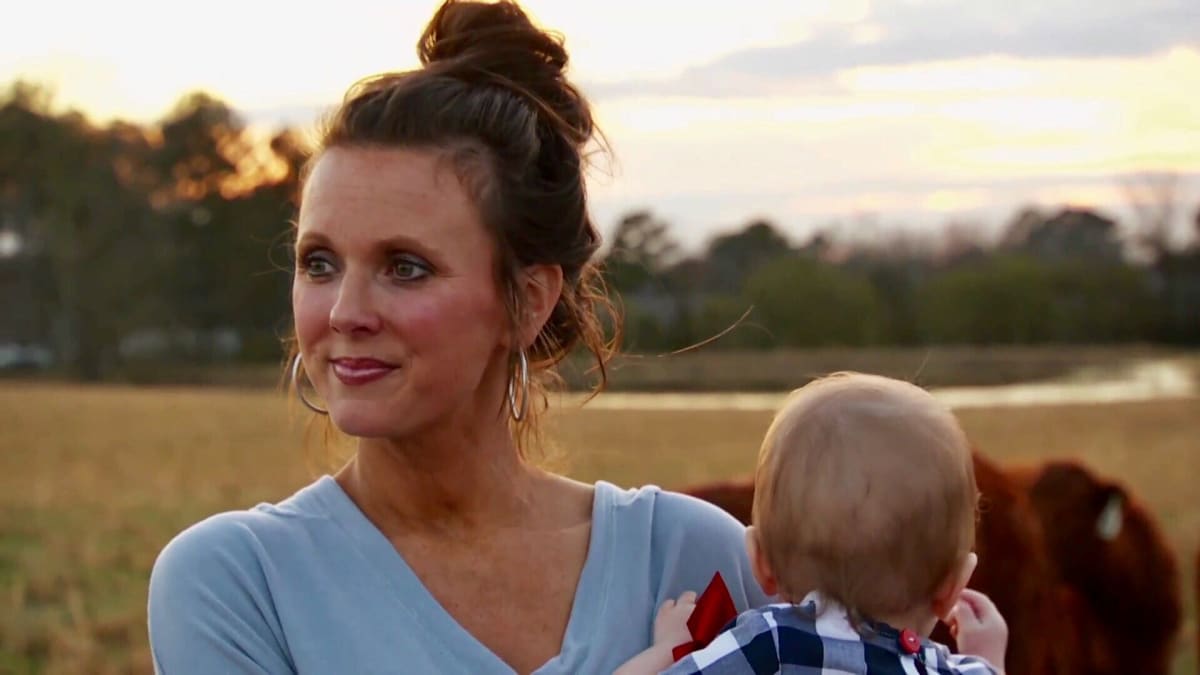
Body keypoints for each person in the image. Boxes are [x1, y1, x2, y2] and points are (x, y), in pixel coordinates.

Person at [145, 1, 766, 673]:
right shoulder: (237, 584)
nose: (345, 312)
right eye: (319, 264)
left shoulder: (690, 558)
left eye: (405, 268)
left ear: (528, 302)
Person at [618, 373, 1008, 674]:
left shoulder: (767, 645)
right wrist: (986, 658)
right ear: (952, 587)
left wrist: (665, 651)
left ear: (761, 563)